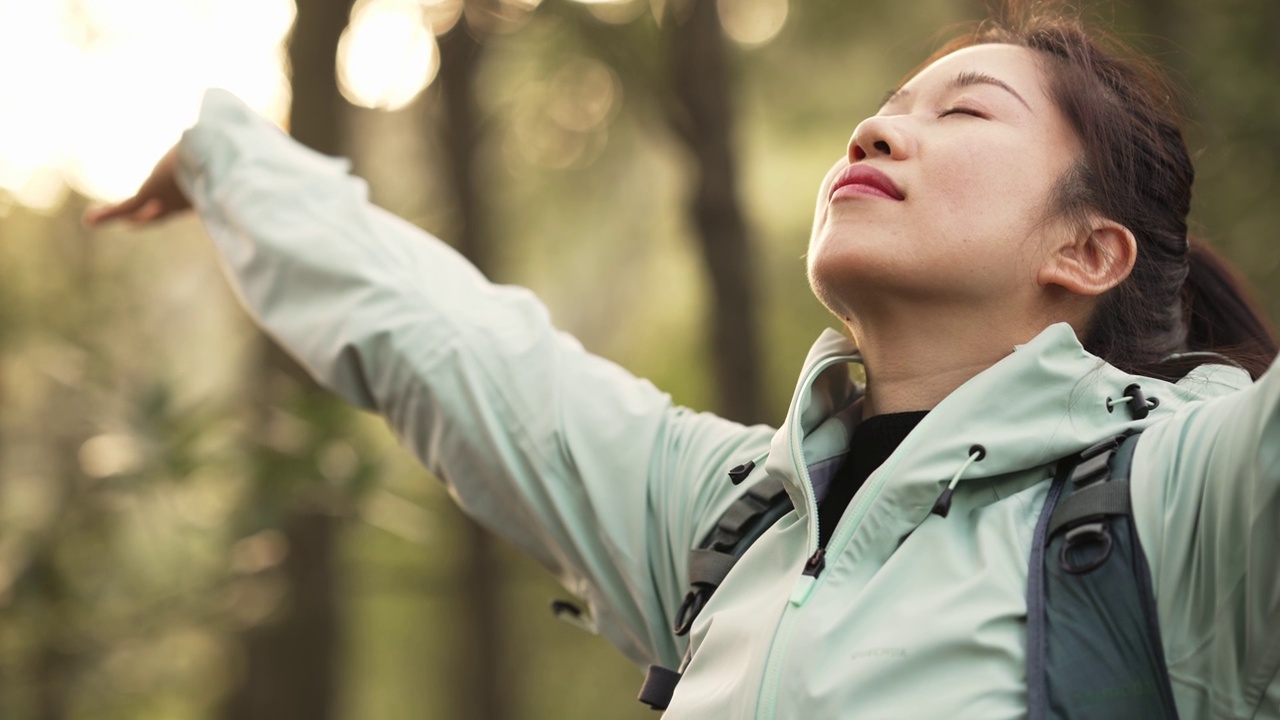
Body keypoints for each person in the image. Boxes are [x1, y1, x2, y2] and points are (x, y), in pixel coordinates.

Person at [86, 2, 1280, 717]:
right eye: (885, 106)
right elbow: (453, 350)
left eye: (961, 113)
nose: (876, 129)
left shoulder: (1187, 505)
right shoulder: (733, 525)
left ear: (1085, 250)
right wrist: (228, 161)